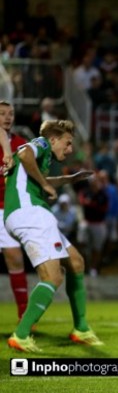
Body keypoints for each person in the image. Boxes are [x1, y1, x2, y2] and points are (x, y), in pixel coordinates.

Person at [6, 120, 104, 352]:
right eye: (67, 143)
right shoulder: (40, 144)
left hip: (28, 212)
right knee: (53, 276)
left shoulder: (43, 159)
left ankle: (80, 328)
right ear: (53, 140)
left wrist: (67, 180)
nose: (70, 150)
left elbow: (35, 176)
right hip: (30, 212)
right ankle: (21, 335)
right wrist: (44, 185)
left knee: (76, 263)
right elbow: (24, 153)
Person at [0, 101, 29, 320]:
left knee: (15, 258)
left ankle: (24, 314)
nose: (7, 117)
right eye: (2, 114)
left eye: (10, 114)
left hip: (6, 208)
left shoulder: (21, 144)